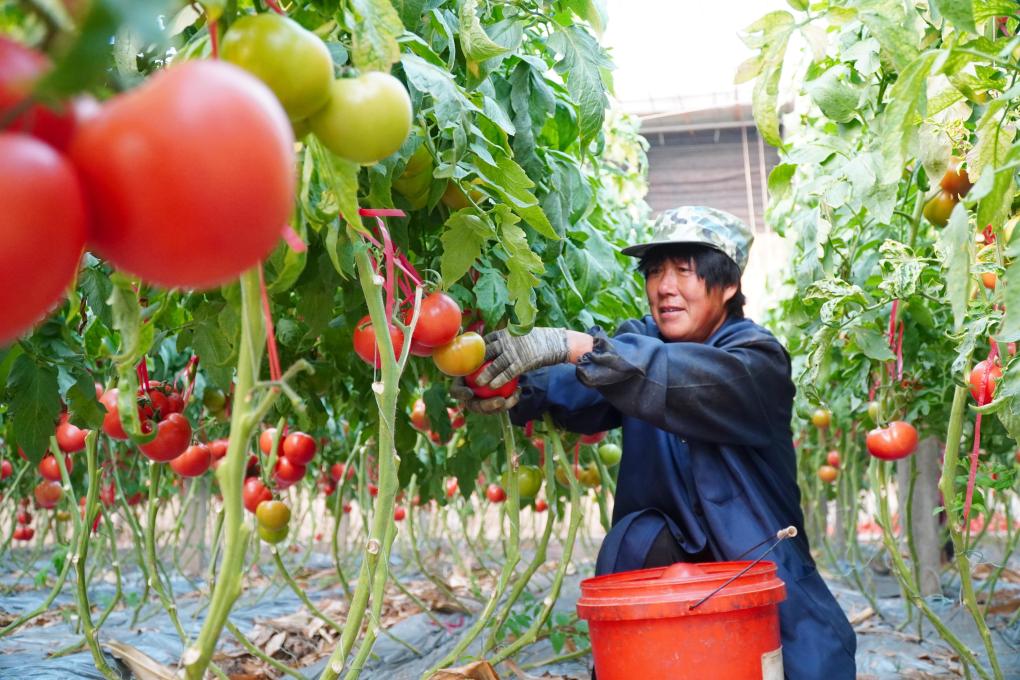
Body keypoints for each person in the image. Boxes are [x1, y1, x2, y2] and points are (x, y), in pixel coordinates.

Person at [451, 206, 856, 679]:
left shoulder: (756, 360)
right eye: (655, 272)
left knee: (797, 662)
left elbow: (677, 378)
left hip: (754, 572)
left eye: (684, 271)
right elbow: (582, 387)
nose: (665, 287)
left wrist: (576, 345)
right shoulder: (637, 345)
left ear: (728, 285)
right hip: (661, 575)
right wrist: (511, 385)